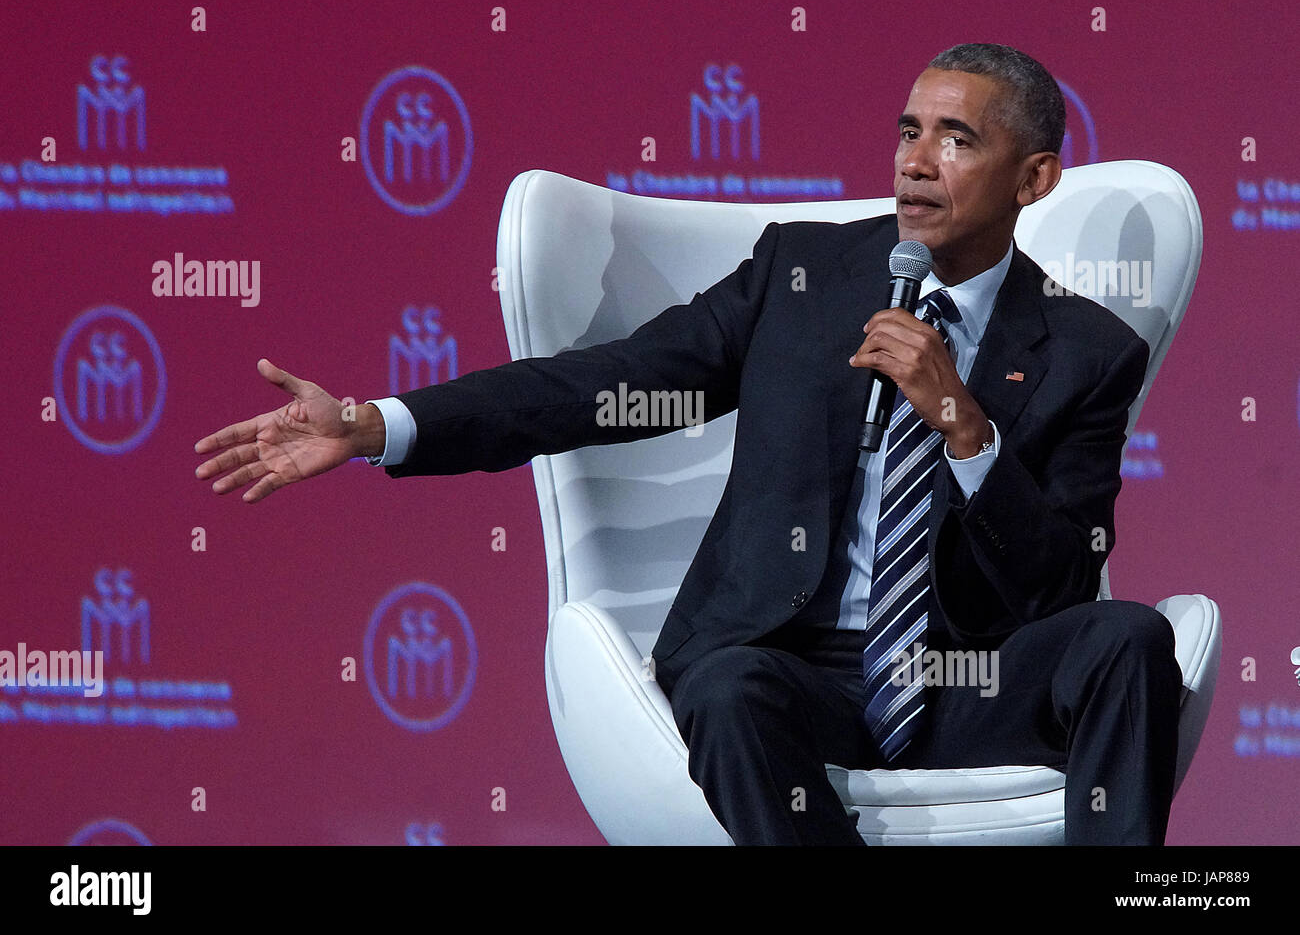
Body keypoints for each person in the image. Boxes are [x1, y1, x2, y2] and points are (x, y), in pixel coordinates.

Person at [196, 43, 1184, 846]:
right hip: (796, 672)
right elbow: (593, 389)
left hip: (961, 675)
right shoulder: (802, 278)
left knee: (1127, 638)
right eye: (908, 130)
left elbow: (1057, 582)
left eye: (956, 139)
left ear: (1034, 176)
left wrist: (962, 423)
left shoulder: (1089, 350)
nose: (916, 161)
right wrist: (376, 424)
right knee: (728, 684)